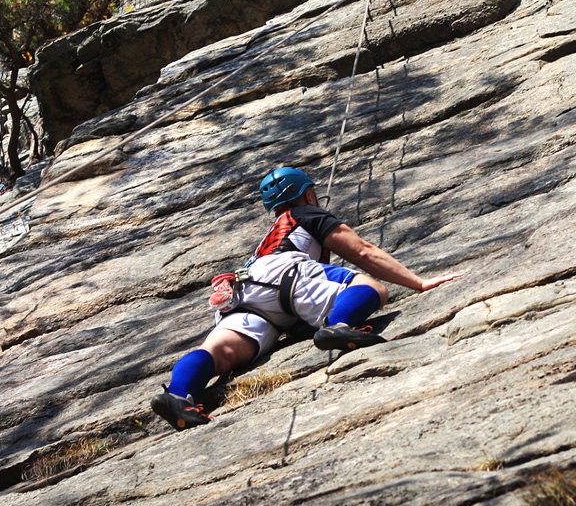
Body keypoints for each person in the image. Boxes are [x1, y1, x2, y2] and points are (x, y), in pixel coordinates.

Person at [151, 166, 462, 430]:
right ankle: (340, 325)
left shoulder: (269, 238)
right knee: (371, 287)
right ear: (309, 194)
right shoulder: (307, 213)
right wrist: (418, 283)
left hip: (244, 289)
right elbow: (363, 252)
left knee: (220, 352)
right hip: (285, 274)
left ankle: (179, 395)